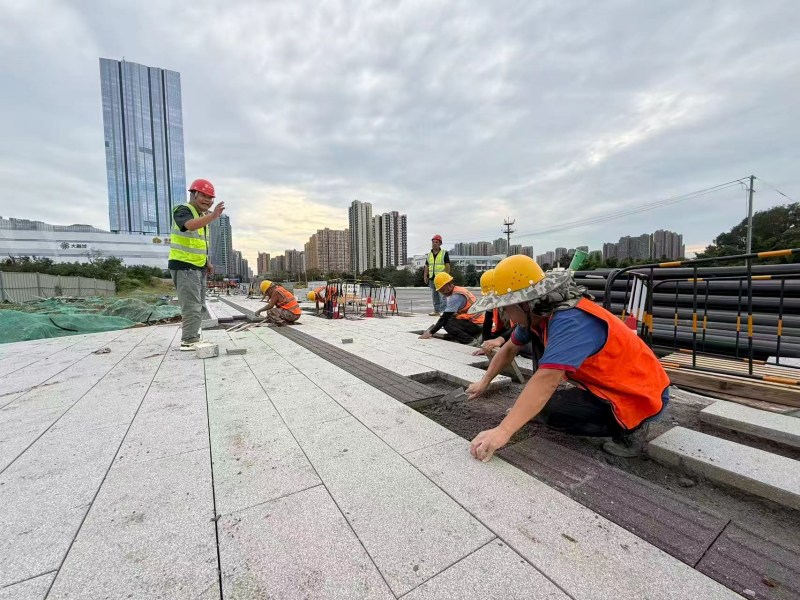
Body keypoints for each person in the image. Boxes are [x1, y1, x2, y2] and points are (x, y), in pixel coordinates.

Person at [465, 255, 670, 460]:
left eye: (506, 307)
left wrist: (503, 431)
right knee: (541, 404)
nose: (506, 315)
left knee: (551, 411)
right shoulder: (538, 315)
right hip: (610, 384)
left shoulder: (571, 320)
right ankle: (539, 408)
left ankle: (632, 429)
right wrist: (484, 382)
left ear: (525, 304)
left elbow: (547, 378)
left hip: (640, 395)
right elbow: (509, 349)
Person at [168, 178, 224, 351]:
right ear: (193, 194)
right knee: (191, 305)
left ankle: (193, 336)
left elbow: (198, 243)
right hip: (185, 266)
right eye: (204, 196)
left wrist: (207, 262)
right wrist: (213, 216)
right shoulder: (183, 210)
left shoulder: (201, 216)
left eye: (210, 198)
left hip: (197, 266)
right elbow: (189, 226)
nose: (208, 200)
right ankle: (189, 340)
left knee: (199, 304)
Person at [419, 272, 485, 345]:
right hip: (476, 322)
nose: (442, 293)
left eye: (442, 290)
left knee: (447, 323)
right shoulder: (457, 290)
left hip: (478, 324)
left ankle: (471, 342)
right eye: (440, 291)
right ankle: (473, 336)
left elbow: (444, 318)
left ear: (448, 285)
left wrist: (431, 332)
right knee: (451, 318)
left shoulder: (456, 296)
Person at [422, 234, 451, 316]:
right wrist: (425, 276)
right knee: (434, 296)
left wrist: (447, 277)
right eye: (433, 242)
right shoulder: (429, 254)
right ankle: (436, 310)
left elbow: (447, 265)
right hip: (432, 278)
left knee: (442, 295)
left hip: (441, 279)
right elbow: (427, 266)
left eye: (436, 242)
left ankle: (443, 311)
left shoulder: (444, 253)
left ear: (440, 244)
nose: (434, 244)